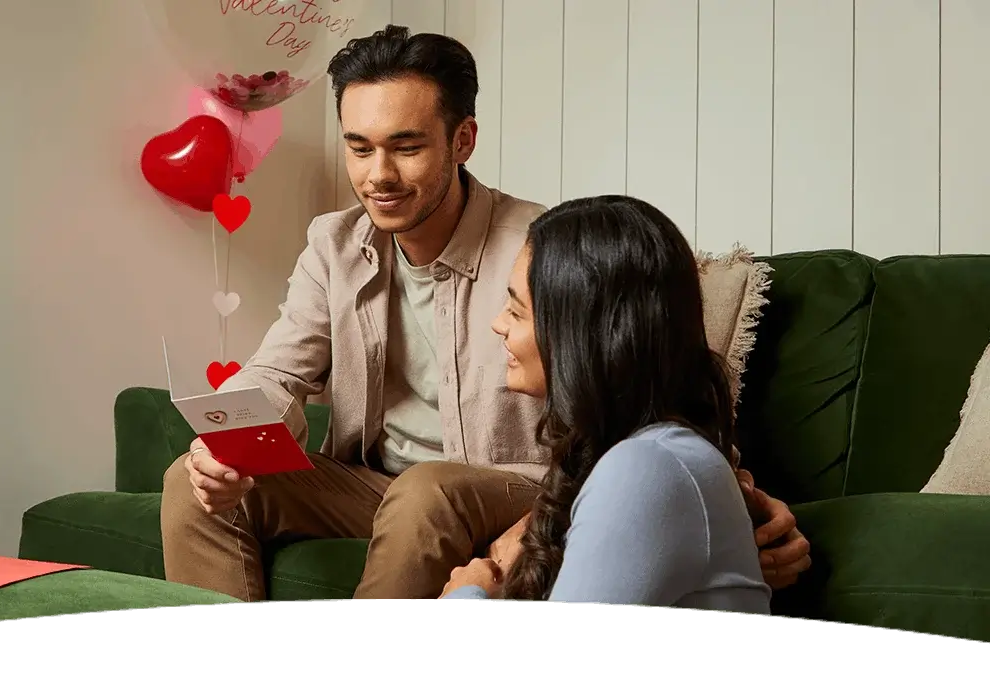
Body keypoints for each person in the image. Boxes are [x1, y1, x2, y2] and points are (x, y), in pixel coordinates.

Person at [160, 24, 811, 602]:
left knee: (428, 491)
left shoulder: (538, 248)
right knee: (189, 481)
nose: (377, 174)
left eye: (406, 146)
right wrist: (227, 447)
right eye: (360, 148)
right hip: (378, 488)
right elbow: (275, 373)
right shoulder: (334, 244)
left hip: (512, 485)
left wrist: (741, 491)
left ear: (463, 139)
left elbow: (644, 385)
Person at [438, 196, 772, 613]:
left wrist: (466, 596)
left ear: (581, 334)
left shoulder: (647, 467)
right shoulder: (640, 457)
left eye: (517, 311)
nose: (498, 323)